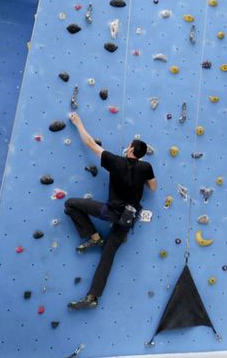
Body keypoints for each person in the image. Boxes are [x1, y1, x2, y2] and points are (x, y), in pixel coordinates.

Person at [64, 112, 156, 310]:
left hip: (110, 212)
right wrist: (140, 177)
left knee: (71, 204)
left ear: (130, 149)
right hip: (128, 219)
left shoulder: (116, 161)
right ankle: (93, 297)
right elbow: (153, 187)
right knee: (108, 254)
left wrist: (78, 122)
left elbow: (90, 143)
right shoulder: (146, 167)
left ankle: (94, 237)